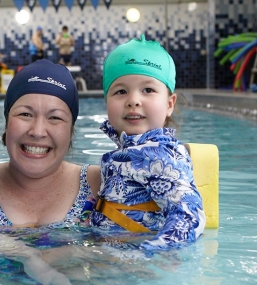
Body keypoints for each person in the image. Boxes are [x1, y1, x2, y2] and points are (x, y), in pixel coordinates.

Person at [91, 35, 206, 250]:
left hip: (140, 265)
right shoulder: (130, 150)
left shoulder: (162, 155)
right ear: (106, 102)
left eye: (148, 90)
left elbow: (190, 216)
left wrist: (149, 254)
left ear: (169, 103)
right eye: (121, 91)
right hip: (114, 256)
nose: (133, 100)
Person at [0, 59, 101, 228]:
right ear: (6, 124)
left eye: (55, 117)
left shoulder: (100, 185)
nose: (37, 131)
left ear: (71, 132)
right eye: (25, 114)